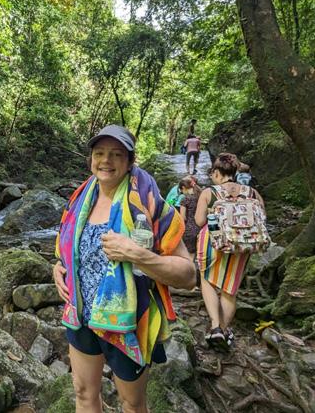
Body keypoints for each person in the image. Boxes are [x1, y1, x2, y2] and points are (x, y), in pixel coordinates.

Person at [53, 124, 196, 413]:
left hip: (129, 322)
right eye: (100, 153)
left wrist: (138, 255)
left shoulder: (149, 206)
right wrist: (57, 267)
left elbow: (189, 276)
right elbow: (67, 251)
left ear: (130, 161)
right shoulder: (79, 200)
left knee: (132, 404)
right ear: (91, 159)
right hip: (80, 315)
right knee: (83, 393)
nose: (106, 160)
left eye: (117, 154)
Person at [194, 153, 265, 351]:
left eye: (212, 173)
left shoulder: (209, 192)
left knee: (207, 279)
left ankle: (215, 326)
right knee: (230, 289)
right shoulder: (251, 192)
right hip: (242, 244)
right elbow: (262, 217)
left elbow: (199, 221)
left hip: (213, 241)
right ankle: (223, 330)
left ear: (217, 172)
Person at [179, 177, 201, 259]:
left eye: (181, 191)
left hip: (189, 230)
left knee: (189, 256)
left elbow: (183, 218)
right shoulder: (200, 197)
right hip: (200, 229)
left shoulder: (185, 199)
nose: (182, 193)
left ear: (183, 188)